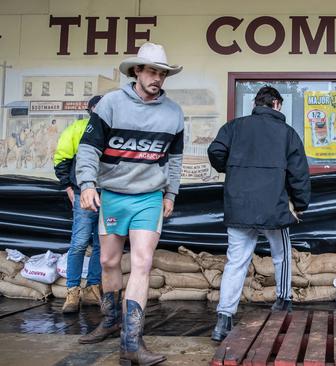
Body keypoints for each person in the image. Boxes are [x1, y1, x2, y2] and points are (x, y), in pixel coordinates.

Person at [75, 42, 184, 365]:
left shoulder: (173, 113)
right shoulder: (110, 104)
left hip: (150, 197)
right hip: (112, 195)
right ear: (137, 71)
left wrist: (170, 194)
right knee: (109, 262)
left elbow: (175, 160)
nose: (157, 78)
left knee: (142, 263)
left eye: (162, 73)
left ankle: (131, 342)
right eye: (152, 71)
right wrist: (86, 184)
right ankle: (110, 321)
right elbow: (88, 148)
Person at [207, 86, 310, 342]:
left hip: (239, 203)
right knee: (282, 255)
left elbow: (215, 151)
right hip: (273, 204)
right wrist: (300, 203)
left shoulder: (234, 127)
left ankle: (224, 319)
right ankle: (283, 302)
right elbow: (299, 173)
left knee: (236, 262)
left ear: (256, 103)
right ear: (276, 104)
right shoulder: (287, 133)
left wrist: (233, 170)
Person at [53, 95, 103, 313]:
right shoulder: (77, 128)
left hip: (109, 194)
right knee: (80, 242)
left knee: (103, 244)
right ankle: (73, 291)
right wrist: (69, 187)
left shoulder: (114, 131)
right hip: (83, 192)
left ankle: (93, 289)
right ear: (91, 109)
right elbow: (62, 158)